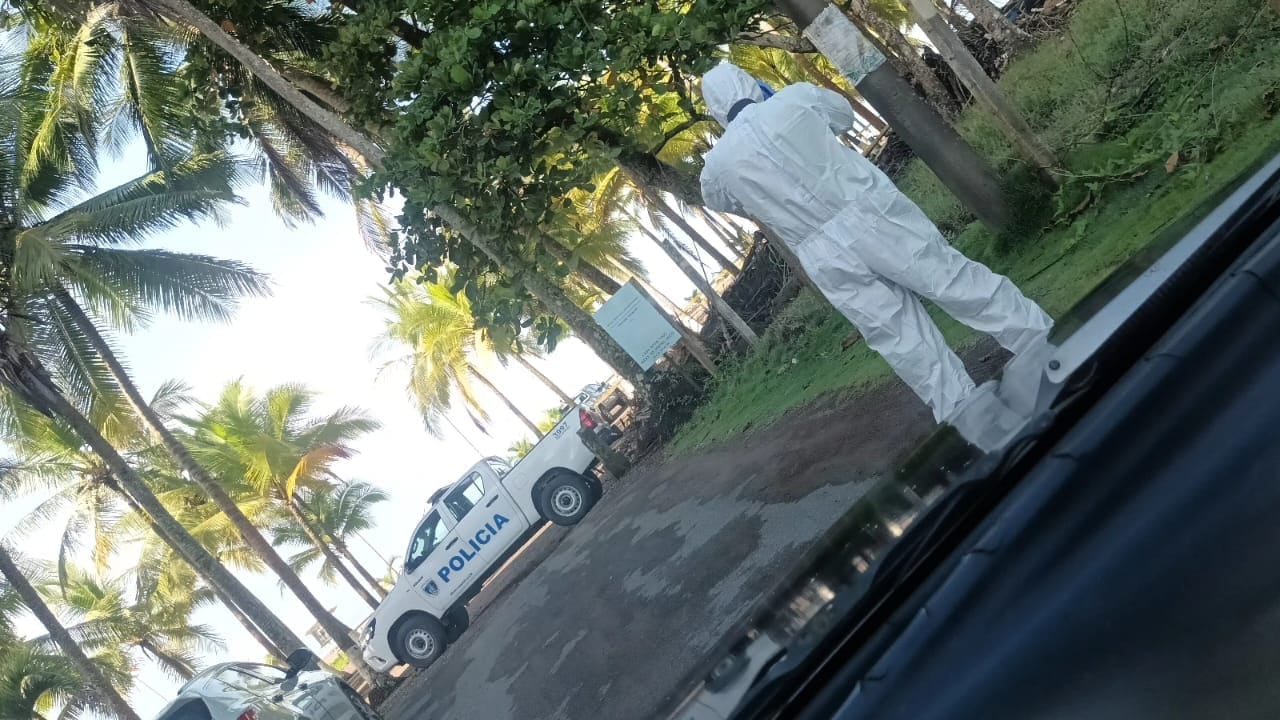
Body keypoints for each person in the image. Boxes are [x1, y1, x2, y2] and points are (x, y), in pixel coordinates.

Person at [698, 62, 1053, 424]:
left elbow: (724, 201)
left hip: (820, 251)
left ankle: (965, 412)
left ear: (715, 110)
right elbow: (843, 116)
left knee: (895, 332)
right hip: (869, 212)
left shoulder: (716, 167)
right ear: (749, 82)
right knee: (949, 278)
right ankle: (1039, 341)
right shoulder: (796, 98)